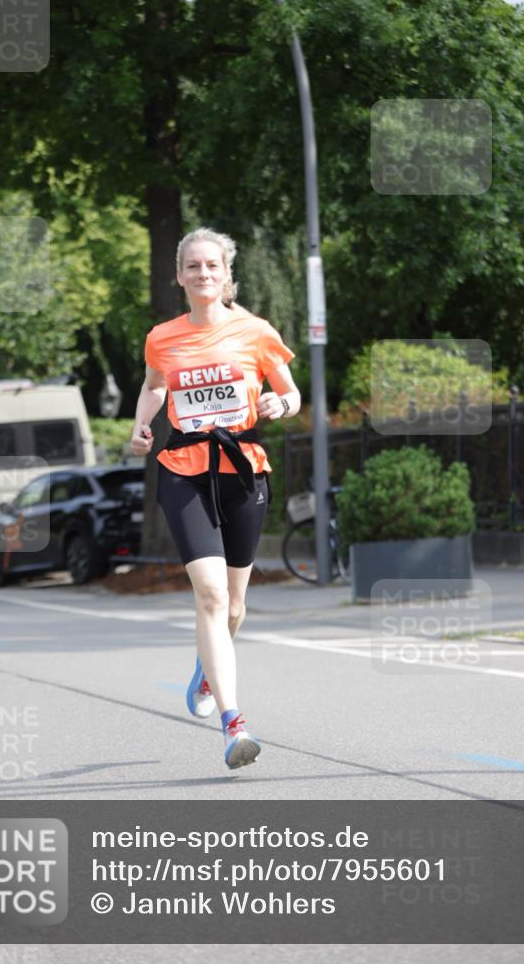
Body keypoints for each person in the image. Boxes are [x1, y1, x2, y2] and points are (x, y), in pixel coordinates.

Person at [130, 227, 301, 770]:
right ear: (179, 275)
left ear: (226, 275)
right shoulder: (163, 336)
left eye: (213, 266)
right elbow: (157, 385)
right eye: (193, 266)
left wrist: (281, 404)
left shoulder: (255, 331)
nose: (203, 274)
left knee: (234, 604)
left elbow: (290, 390)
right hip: (183, 469)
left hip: (242, 469)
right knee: (209, 596)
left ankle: (206, 668)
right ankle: (234, 724)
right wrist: (141, 425)